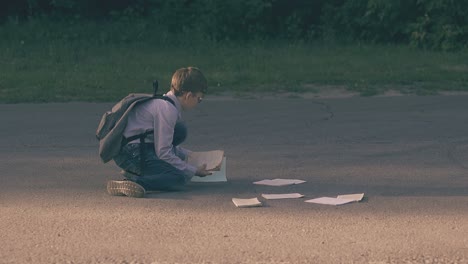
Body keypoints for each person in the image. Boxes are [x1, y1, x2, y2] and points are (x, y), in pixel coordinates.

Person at [107, 67, 212, 198]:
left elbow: (164, 142)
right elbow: (163, 152)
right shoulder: (168, 110)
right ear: (189, 95)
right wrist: (193, 170)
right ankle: (134, 181)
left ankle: (138, 172)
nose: (198, 103)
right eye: (199, 99)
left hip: (134, 149)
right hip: (131, 153)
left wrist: (190, 155)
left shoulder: (165, 103)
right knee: (179, 177)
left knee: (179, 131)